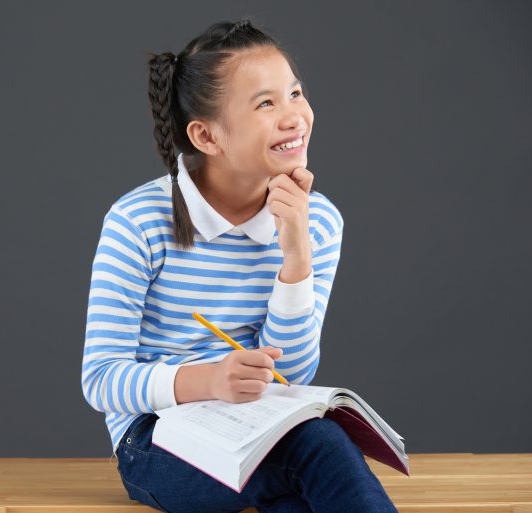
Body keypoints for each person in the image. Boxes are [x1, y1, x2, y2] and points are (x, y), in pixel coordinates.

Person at [80, 18, 398, 513]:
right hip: (155, 437)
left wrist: (296, 256)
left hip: (258, 425)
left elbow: (290, 371)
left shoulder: (318, 222)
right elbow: (102, 379)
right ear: (206, 135)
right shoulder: (138, 221)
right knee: (320, 453)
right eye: (266, 104)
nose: (294, 116)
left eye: (295, 93)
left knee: (306, 476)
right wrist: (210, 381)